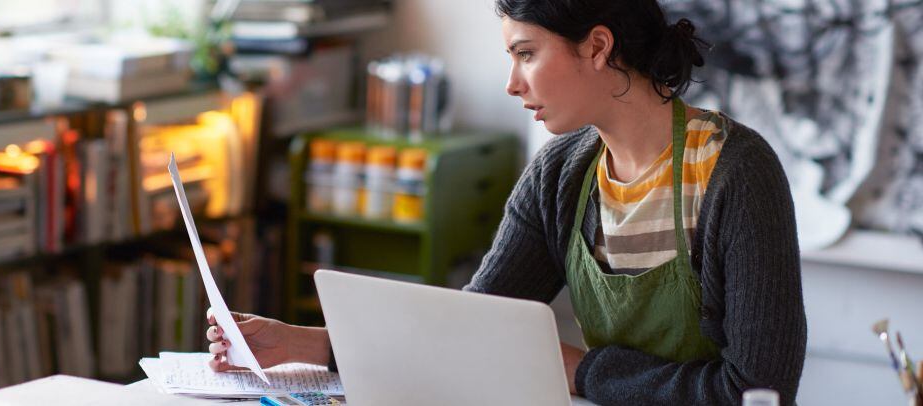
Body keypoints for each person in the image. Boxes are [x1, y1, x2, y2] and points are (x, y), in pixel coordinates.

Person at [206, 1, 807, 404]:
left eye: (525, 54)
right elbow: (468, 329)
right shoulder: (561, 174)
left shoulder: (736, 174)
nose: (512, 84)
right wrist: (307, 344)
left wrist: (581, 369)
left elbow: (758, 392)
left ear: (598, 46)